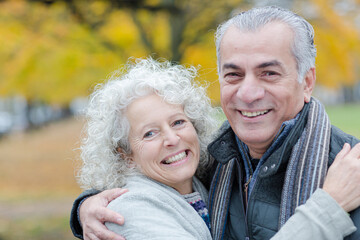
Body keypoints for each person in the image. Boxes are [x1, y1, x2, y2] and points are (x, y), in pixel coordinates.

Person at [70, 6, 360, 240]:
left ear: (306, 81)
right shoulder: (215, 164)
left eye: (269, 73)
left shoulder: (349, 174)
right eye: (233, 75)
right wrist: (89, 207)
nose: (248, 93)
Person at [74, 58, 217, 239]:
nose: (172, 139)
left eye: (178, 122)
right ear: (127, 156)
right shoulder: (130, 210)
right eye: (150, 133)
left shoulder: (207, 180)